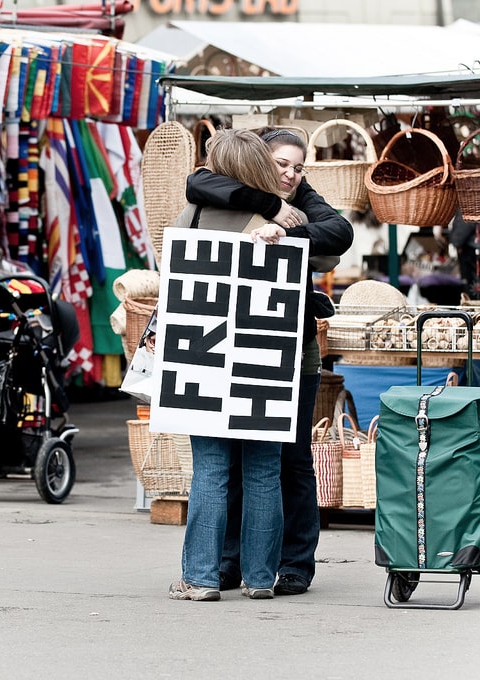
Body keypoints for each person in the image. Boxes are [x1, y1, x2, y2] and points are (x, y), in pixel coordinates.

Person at [186, 126, 353, 596]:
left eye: (298, 167)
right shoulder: (221, 194)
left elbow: (339, 232)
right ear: (258, 160)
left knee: (288, 460)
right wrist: (268, 205)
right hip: (230, 351)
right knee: (247, 466)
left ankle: (292, 564)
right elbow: (197, 183)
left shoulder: (302, 201)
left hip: (290, 352)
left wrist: (286, 225)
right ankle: (237, 566)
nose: (290, 174)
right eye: (281, 164)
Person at [168, 128, 305, 602]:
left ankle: (201, 578)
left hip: (202, 353)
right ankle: (261, 578)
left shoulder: (199, 211)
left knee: (210, 469)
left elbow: (171, 267)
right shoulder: (287, 216)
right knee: (265, 470)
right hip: (266, 355)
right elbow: (325, 252)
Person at [446, 211, 480, 301]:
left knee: (478, 289)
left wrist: (456, 241)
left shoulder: (471, 200)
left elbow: (466, 221)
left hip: (476, 247)